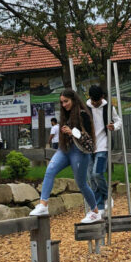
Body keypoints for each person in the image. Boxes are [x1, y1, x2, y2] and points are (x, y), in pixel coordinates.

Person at [30, 89, 102, 223]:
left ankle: (95, 211)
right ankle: (43, 204)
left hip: (79, 152)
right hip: (65, 150)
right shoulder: (65, 115)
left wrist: (71, 132)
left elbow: (88, 139)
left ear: (73, 100)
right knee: (50, 170)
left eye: (66, 101)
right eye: (62, 102)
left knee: (81, 184)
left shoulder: (83, 114)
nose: (64, 105)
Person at [86, 85, 122, 216]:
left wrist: (114, 126)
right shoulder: (85, 109)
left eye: (98, 101)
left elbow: (119, 121)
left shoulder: (109, 108)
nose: (95, 103)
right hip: (88, 147)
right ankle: (99, 205)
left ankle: (107, 196)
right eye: (93, 101)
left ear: (102, 97)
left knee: (97, 174)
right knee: (90, 177)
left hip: (103, 146)